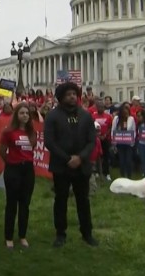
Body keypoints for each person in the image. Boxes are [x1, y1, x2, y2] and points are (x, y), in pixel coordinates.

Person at [44, 82, 98, 248]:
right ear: (61, 97)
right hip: (61, 166)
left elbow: (91, 141)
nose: (72, 96)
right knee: (60, 200)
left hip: (82, 166)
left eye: (74, 94)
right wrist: (68, 158)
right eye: (68, 94)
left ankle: (87, 233)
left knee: (83, 200)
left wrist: (80, 158)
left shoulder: (86, 115)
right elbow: (50, 142)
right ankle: (60, 233)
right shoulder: (53, 116)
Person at [0, 102, 37, 249]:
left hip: (28, 170)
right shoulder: (8, 132)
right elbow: (2, 152)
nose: (25, 115)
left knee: (25, 204)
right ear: (16, 115)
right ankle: (8, 236)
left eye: (27, 113)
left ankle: (22, 235)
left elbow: (31, 148)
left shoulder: (31, 132)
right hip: (13, 169)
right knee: (11, 204)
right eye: (22, 113)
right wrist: (11, 163)